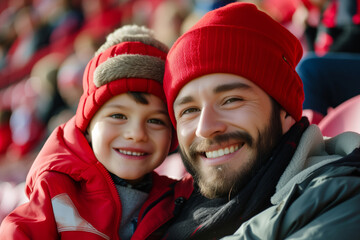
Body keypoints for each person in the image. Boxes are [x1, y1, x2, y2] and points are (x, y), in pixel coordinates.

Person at [162, 2, 360, 239]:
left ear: (284, 111)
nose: (205, 128)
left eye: (231, 100)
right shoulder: (163, 214)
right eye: (189, 110)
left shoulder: (338, 199)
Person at [0, 25, 192, 239]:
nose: (136, 133)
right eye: (118, 116)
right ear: (88, 126)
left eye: (156, 120)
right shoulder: (56, 191)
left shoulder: (180, 201)